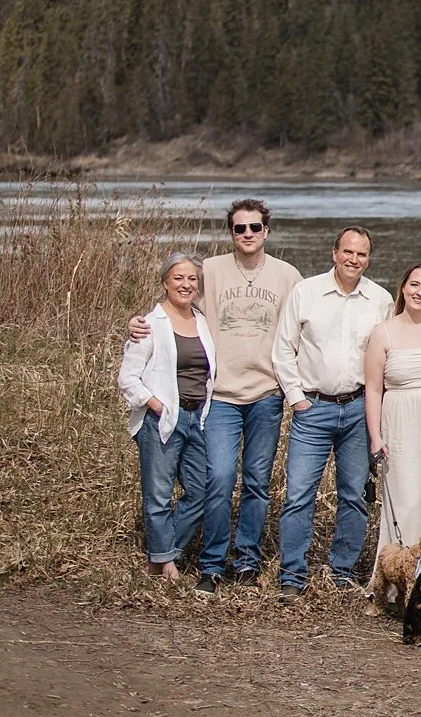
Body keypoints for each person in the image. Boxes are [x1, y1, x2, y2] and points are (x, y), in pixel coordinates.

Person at [133, 197, 300, 595]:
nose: (247, 234)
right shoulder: (209, 271)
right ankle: (212, 564)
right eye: (239, 228)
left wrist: (293, 387)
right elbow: (176, 299)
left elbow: (302, 330)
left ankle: (246, 561)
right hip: (220, 397)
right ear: (231, 232)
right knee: (220, 479)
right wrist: (139, 322)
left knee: (258, 482)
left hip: (265, 395)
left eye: (254, 228)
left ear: (266, 232)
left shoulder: (288, 276)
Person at [271, 225, 391, 598]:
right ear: (334, 253)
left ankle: (342, 572)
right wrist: (297, 398)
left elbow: (390, 355)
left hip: (357, 409)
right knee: (299, 494)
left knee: (354, 495)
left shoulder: (380, 300)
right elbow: (282, 349)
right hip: (314, 408)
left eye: (362, 254)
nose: (354, 260)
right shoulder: (306, 293)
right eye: (348, 252)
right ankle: (292, 575)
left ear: (368, 258)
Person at [118, 252, 216, 581]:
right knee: (158, 495)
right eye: (178, 278)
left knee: (201, 491)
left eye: (191, 279)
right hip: (161, 421)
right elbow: (128, 378)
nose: (186, 284)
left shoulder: (202, 322)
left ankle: (160, 556)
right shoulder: (150, 324)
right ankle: (168, 566)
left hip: (196, 419)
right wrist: (157, 405)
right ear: (165, 283)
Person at [364, 261, 421, 567]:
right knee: (405, 497)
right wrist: (376, 437)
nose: (420, 292)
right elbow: (374, 390)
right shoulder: (383, 333)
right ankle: (395, 576)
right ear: (403, 287)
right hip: (400, 423)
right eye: (415, 285)